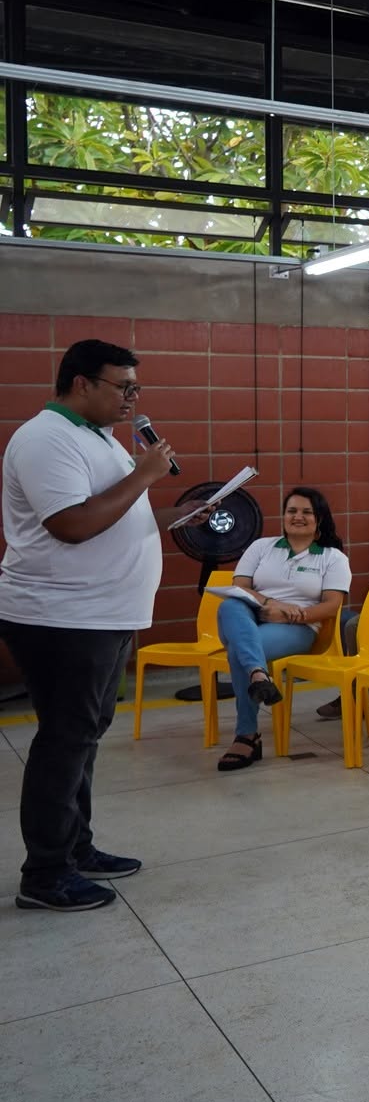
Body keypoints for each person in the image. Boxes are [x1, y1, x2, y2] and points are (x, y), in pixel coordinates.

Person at [2, 339, 184, 910]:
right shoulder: (44, 439)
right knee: (64, 740)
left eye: (136, 388)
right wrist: (148, 475)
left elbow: (116, 516)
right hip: (62, 617)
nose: (132, 398)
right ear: (81, 383)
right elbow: (72, 525)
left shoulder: (98, 438)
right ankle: (45, 875)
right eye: (122, 387)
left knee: (85, 736)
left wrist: (181, 515)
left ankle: (76, 849)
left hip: (103, 615)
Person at [215, 487, 355, 773]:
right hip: (250, 615)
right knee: (229, 606)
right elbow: (240, 587)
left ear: (320, 519)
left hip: (299, 627)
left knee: (240, 653)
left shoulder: (332, 557)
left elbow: (331, 606)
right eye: (292, 511)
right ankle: (258, 674)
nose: (297, 517)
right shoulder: (261, 547)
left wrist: (295, 615)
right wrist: (273, 604)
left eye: (306, 512)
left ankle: (247, 734)